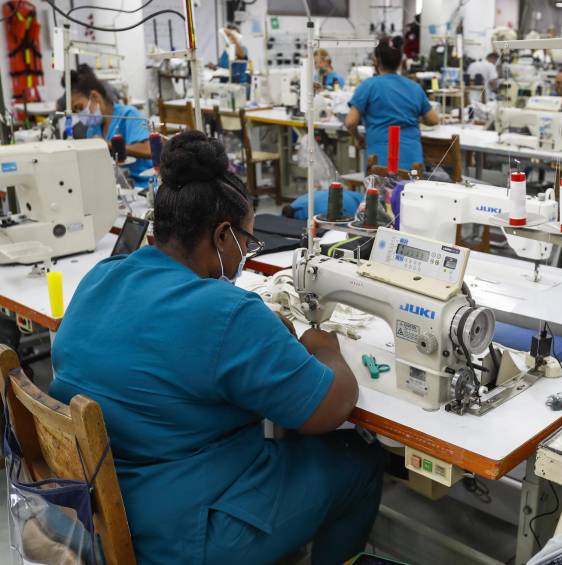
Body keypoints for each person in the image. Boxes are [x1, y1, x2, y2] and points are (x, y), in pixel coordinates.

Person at [48, 131, 384, 565]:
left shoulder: (102, 275)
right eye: (248, 240)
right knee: (359, 463)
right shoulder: (226, 312)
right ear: (223, 236)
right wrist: (325, 347)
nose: (247, 251)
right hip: (180, 534)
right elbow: (329, 408)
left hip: (91, 508)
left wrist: (261, 335)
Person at [345, 36, 439, 170]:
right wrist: (411, 117)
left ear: (376, 60)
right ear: (401, 62)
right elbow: (433, 120)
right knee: (410, 190)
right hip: (413, 162)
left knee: (379, 190)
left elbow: (350, 122)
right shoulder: (414, 87)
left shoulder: (368, 86)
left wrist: (358, 137)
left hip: (381, 163)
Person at [65, 64, 152, 187]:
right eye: (76, 111)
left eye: (80, 108)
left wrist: (111, 145)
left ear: (95, 97)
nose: (80, 115)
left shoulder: (128, 115)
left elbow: (148, 150)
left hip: (143, 187)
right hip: (117, 187)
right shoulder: (92, 130)